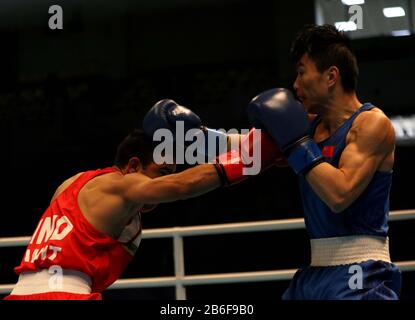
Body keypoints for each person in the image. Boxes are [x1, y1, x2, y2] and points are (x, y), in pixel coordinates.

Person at [5, 105, 281, 299]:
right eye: (160, 173)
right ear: (134, 165)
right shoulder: (123, 184)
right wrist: (248, 159)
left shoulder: (73, 183)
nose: (159, 184)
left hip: (21, 293)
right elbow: (181, 186)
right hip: (65, 294)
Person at [247, 24, 401, 299]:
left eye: (302, 72)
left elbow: (340, 194)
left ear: (331, 76)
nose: (295, 85)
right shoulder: (309, 128)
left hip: (361, 273)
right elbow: (247, 148)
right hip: (315, 272)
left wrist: (297, 144)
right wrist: (195, 136)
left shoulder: (372, 125)